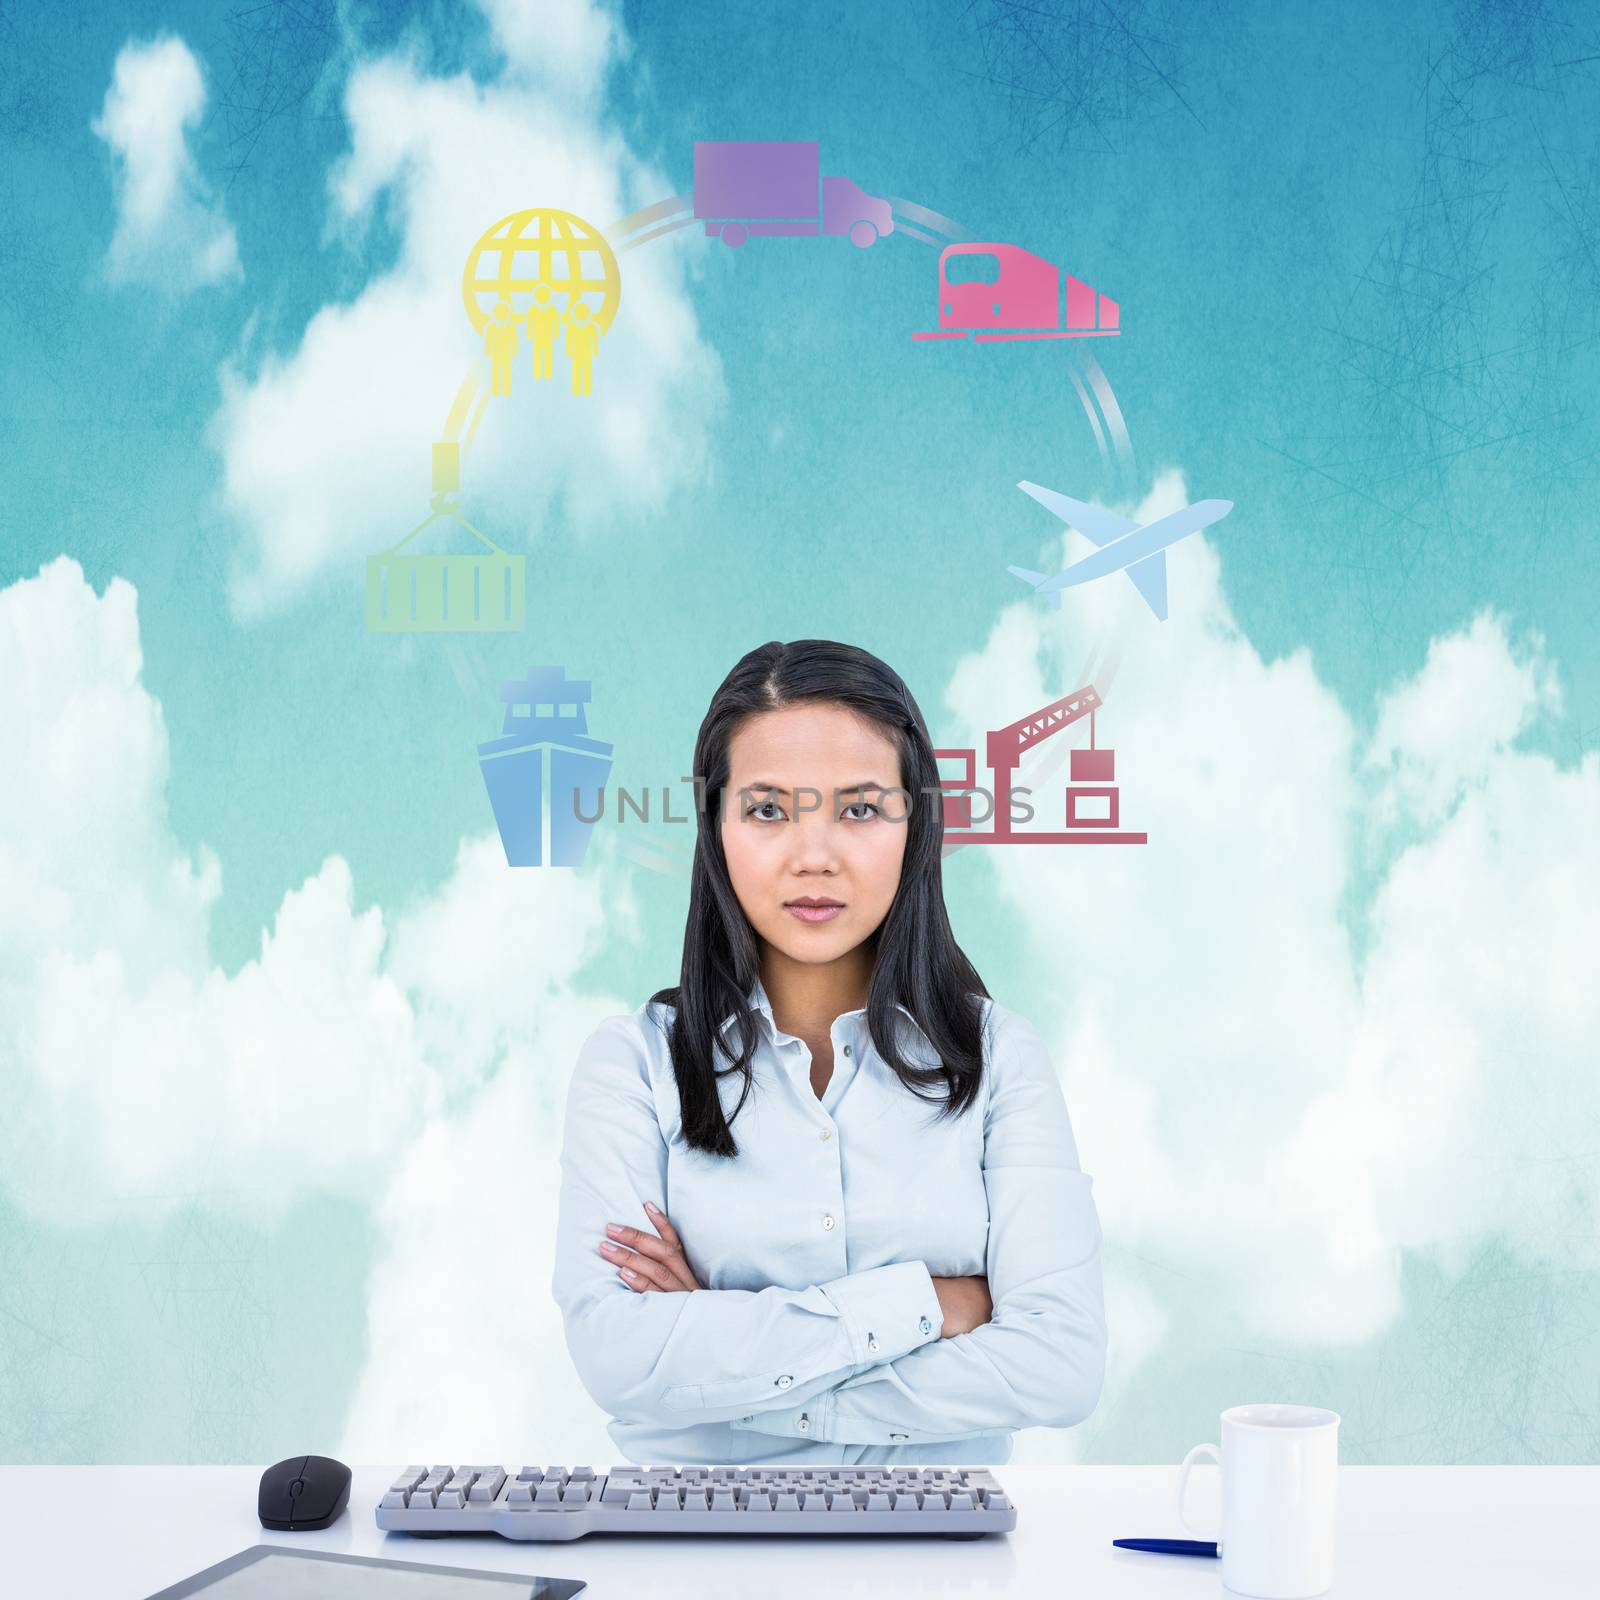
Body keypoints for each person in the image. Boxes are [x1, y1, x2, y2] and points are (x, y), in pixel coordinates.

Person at [551, 639, 1106, 1466]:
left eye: (860, 809)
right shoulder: (634, 1064)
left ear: (916, 824)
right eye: (769, 809)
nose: (814, 856)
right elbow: (617, 1357)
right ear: (716, 826)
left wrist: (725, 1365)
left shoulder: (999, 1060)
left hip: (946, 1567)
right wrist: (925, 1303)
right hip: (694, 1559)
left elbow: (1059, 1366)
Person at [564, 300, 601, 396]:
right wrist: (568, 351)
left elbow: (595, 339)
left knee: (587, 371)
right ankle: (576, 390)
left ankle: (587, 390)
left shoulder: (591, 327)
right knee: (576, 371)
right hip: (576, 353)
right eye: (579, 313)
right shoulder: (571, 327)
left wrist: (595, 351)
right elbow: (569, 340)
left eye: (583, 313)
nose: (581, 316)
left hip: (587, 353)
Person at [527, 282, 562, 379]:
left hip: (548, 337)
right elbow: (530, 324)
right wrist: (530, 334)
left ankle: (548, 374)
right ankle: (537, 374)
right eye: (540, 296)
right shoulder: (532, 310)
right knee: (537, 355)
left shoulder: (552, 310)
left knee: (548, 355)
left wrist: (556, 334)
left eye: (545, 296)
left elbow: (555, 323)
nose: (542, 298)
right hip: (537, 337)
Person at [485, 298, 517, 396]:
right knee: (496, 372)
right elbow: (488, 340)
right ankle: (496, 390)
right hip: (495, 353)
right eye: (499, 312)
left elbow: (514, 339)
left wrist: (514, 350)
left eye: (503, 312)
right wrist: (488, 351)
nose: (501, 315)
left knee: (506, 372)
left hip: (507, 352)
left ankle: (507, 390)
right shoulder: (491, 327)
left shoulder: (510, 326)